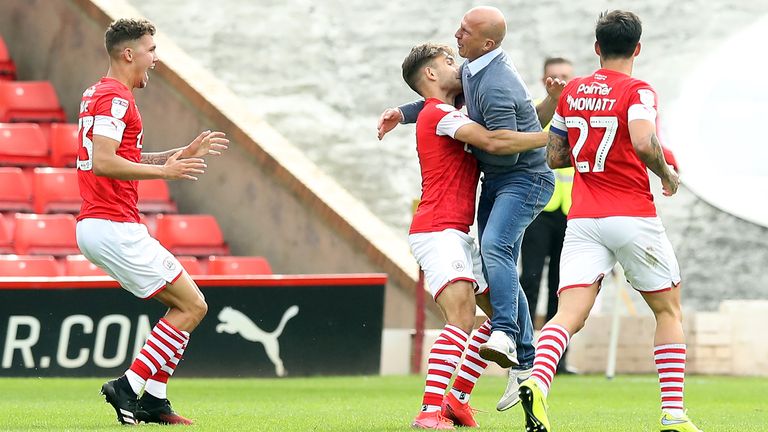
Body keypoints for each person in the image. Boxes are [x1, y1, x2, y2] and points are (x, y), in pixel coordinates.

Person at [518, 11, 701, 432]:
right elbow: (641, 139)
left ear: (597, 47)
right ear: (637, 48)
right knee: (667, 309)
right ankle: (673, 414)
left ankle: (538, 382)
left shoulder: (574, 91)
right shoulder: (638, 90)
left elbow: (555, 156)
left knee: (567, 316)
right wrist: (667, 174)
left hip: (583, 219)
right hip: (632, 215)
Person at [378, 6, 560, 412]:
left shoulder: (455, 101)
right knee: (461, 314)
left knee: (499, 306)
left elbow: (518, 119)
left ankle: (460, 398)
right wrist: (551, 140)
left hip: (456, 231)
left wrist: (399, 112)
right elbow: (495, 142)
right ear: (430, 75)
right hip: (437, 230)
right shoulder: (442, 113)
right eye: (446, 60)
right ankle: (429, 411)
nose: (455, 55)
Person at [75, 18, 229, 425]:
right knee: (194, 304)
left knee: (183, 306)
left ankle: (155, 400)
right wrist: (166, 175)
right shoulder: (116, 97)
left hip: (100, 225)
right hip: (113, 224)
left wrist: (176, 153)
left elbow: (118, 155)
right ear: (129, 54)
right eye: (151, 50)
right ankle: (128, 387)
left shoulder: (98, 93)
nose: (155, 59)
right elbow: (106, 163)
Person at [519, 57, 577, 376]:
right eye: (555, 76)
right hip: (538, 209)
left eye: (566, 76)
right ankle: (524, 353)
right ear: (544, 79)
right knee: (529, 282)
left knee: (562, 287)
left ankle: (558, 360)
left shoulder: (582, 110)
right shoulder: (534, 112)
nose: (561, 81)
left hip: (571, 213)